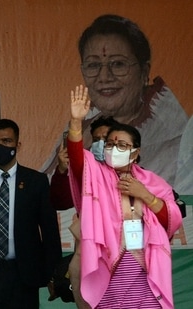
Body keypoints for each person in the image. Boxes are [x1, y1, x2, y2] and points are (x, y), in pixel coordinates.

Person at [41, 14, 193, 196]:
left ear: (144, 72)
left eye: (118, 64)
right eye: (93, 65)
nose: (104, 77)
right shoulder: (80, 129)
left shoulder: (177, 139)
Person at [67, 85, 183, 308]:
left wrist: (146, 196)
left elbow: (171, 221)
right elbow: (76, 159)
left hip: (147, 274)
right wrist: (75, 122)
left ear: (135, 152)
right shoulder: (96, 174)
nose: (113, 149)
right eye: (110, 144)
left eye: (121, 145)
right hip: (109, 270)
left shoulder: (153, 182)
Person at [0, 119, 62, 308]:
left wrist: (54, 273)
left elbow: (49, 230)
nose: (0, 146)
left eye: (6, 141)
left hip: (23, 274)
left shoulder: (37, 181)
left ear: (18, 145)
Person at [48, 116, 118, 308]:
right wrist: (62, 170)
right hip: (88, 254)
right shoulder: (85, 171)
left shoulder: (133, 173)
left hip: (122, 255)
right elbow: (59, 202)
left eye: (107, 138)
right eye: (96, 139)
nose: (101, 143)